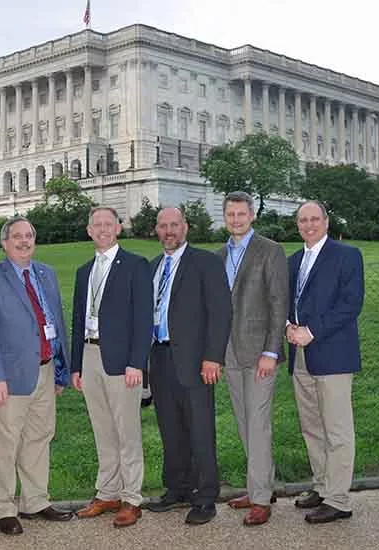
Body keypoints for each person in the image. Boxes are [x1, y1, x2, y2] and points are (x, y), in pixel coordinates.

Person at [0, 216, 74, 535]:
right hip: (10, 376)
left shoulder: (46, 273)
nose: (24, 241)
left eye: (29, 235)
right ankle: (3, 506)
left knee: (39, 437)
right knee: (6, 442)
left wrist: (60, 371)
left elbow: (55, 323)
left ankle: (35, 500)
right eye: (17, 236)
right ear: (5, 243)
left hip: (45, 371)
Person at [144, 207, 231, 525]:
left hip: (196, 361)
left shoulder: (205, 262)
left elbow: (221, 313)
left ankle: (206, 497)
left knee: (200, 430)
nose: (169, 231)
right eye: (163, 226)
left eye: (174, 225)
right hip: (161, 358)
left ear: (186, 227)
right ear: (157, 230)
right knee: (170, 428)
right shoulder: (153, 267)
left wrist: (213, 357)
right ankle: (178, 489)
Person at [70, 207, 153, 528]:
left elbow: (144, 319)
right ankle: (108, 492)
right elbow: (78, 320)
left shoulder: (135, 266)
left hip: (122, 362)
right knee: (102, 429)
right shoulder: (83, 271)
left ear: (118, 227)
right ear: (89, 230)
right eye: (97, 225)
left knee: (126, 431)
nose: (103, 229)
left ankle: (132, 498)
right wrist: (77, 365)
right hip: (90, 357)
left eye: (108, 224)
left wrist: (137, 363)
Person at [287, 200, 363, 524]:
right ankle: (322, 486)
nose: (309, 225)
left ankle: (339, 499)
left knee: (337, 429)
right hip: (300, 356)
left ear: (326, 221)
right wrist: (288, 327)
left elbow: (350, 304)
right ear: (297, 225)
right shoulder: (293, 261)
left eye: (314, 219)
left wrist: (312, 331)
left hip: (332, 353)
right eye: (303, 220)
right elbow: (285, 301)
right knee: (312, 427)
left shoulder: (347, 256)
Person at [216, 192, 289, 526]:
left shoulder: (270, 250)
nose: (235, 219)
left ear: (252, 215)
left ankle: (260, 499)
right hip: (229, 352)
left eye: (241, 214)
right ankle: (259, 485)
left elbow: (278, 303)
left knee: (258, 424)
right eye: (230, 214)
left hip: (261, 353)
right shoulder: (218, 256)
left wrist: (271, 352)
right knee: (245, 422)